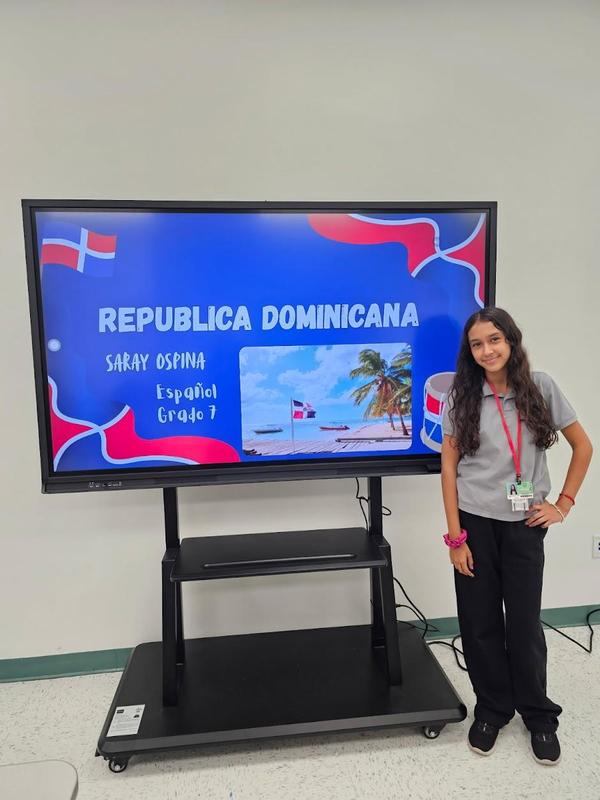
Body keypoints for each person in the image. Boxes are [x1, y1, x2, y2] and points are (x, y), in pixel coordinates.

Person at [440, 307, 592, 766]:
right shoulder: (461, 395)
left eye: (494, 340)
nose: (487, 351)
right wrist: (455, 538)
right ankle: (491, 709)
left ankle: (539, 716)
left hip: (526, 523)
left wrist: (563, 504)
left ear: (511, 340)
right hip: (475, 523)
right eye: (477, 344)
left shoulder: (540, 387)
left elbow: (583, 446)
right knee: (479, 623)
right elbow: (448, 468)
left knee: (524, 625)